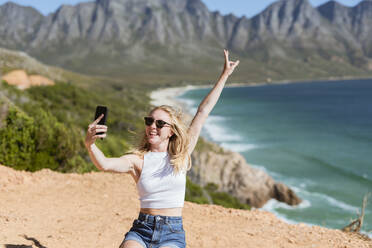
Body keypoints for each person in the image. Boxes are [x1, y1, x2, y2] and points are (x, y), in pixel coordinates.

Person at [85, 49, 239, 248]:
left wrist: (224, 75)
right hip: (142, 230)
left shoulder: (181, 155)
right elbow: (104, 164)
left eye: (160, 124)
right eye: (150, 121)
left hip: (172, 233)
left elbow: (203, 111)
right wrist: (90, 144)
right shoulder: (137, 160)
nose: (152, 126)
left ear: (171, 131)